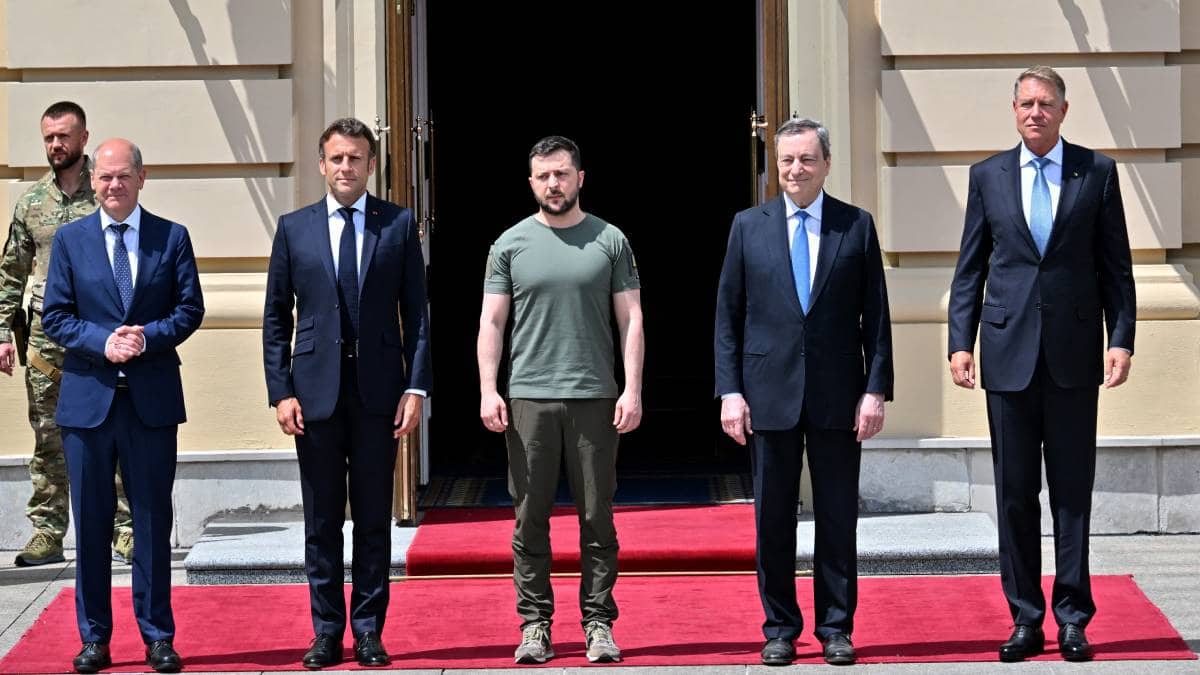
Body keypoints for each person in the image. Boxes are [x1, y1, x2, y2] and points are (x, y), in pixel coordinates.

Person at [947, 66, 1136, 663]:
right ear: (1014, 110)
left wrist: (1121, 338)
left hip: (1075, 356)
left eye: (1046, 103)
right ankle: (1025, 619)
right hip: (1007, 357)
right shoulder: (987, 176)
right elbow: (971, 268)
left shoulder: (1096, 172)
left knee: (1072, 494)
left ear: (1063, 110)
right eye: (1026, 103)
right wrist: (960, 341)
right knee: (1014, 494)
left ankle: (1073, 618)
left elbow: (1116, 267)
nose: (1036, 112)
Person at [714, 118, 893, 666]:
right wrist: (730, 391)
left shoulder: (856, 226)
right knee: (772, 519)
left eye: (807, 159)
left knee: (838, 518)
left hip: (839, 397)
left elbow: (876, 319)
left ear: (826, 164)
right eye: (788, 160)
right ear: (777, 164)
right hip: (767, 396)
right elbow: (728, 318)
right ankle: (779, 629)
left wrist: (875, 390)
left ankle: (836, 628)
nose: (796, 170)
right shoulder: (748, 227)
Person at [262, 117, 431, 669]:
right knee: (321, 522)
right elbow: (275, 318)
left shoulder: (398, 225)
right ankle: (326, 632)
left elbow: (418, 315)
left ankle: (369, 631)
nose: (345, 167)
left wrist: (416, 387)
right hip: (314, 397)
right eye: (336, 158)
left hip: (380, 395)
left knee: (374, 520)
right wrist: (280, 392)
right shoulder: (294, 228)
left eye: (356, 158)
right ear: (322, 164)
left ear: (371, 164)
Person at [477, 135, 644, 665]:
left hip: (595, 396)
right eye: (544, 176)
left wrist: (632, 388)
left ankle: (598, 623)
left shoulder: (610, 240)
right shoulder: (509, 244)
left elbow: (631, 318)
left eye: (562, 174)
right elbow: (492, 322)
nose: (554, 183)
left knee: (598, 516)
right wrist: (488, 389)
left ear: (580, 178)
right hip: (529, 399)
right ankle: (535, 626)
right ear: (531, 182)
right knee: (530, 517)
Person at [42, 138, 204, 673]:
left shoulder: (171, 237)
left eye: (123, 176)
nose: (114, 185)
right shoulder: (70, 241)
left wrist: (146, 337)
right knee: (91, 525)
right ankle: (94, 638)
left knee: (152, 523)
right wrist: (103, 342)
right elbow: (56, 316)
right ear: (93, 181)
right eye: (105, 176)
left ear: (141, 178)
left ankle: (158, 637)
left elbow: (190, 309)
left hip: (150, 403)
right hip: (88, 403)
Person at [0, 101, 134, 568]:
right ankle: (48, 530)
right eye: (49, 137)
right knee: (48, 438)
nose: (56, 145)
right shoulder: (31, 203)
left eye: (64, 136)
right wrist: (2, 331)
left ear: (83, 138)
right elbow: (11, 272)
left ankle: (124, 528)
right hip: (45, 345)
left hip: (100, 340)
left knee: (113, 431)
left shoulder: (106, 191)